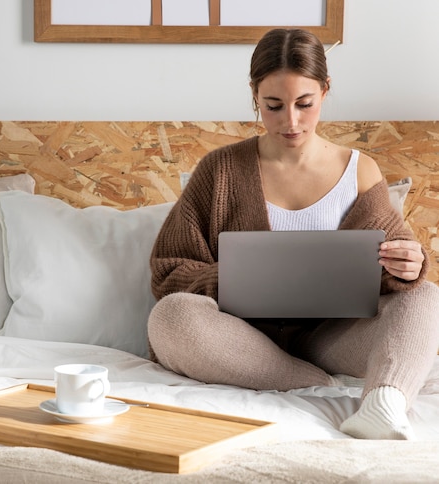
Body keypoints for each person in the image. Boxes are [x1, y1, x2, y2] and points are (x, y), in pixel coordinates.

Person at [147, 28, 439, 440]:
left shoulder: (359, 170)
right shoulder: (220, 170)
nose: (290, 121)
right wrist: (228, 278)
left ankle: (384, 403)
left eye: (305, 103)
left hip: (334, 337)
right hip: (239, 342)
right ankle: (310, 382)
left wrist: (408, 264)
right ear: (254, 95)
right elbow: (169, 271)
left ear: (325, 90)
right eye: (273, 105)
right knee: (170, 317)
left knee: (426, 294)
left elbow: (396, 264)